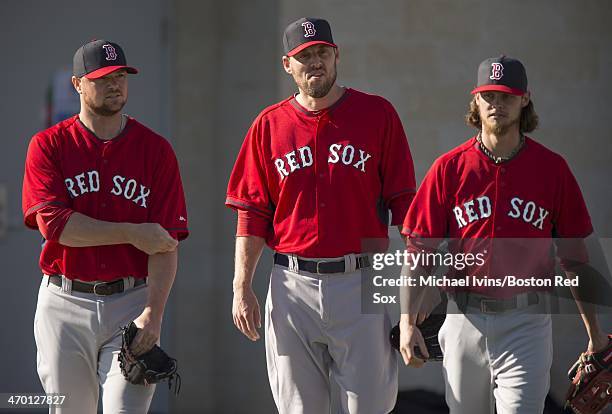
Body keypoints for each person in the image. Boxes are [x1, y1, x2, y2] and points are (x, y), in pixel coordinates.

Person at [226, 17, 416, 414]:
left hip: (361, 279)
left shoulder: (377, 115)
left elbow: (405, 208)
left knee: (372, 407)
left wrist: (416, 292)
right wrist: (241, 286)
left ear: (336, 56)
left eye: (322, 53)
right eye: (304, 56)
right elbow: (252, 215)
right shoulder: (269, 125)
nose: (315, 62)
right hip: (291, 285)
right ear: (287, 65)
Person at [399, 55, 609, 413]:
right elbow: (418, 252)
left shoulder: (552, 170)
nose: (497, 104)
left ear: (524, 99)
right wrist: (406, 323)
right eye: (489, 95)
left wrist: (594, 335)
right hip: (463, 318)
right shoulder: (449, 169)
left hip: (525, 324)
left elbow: (575, 261)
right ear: (476, 99)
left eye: (507, 96)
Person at [22, 39, 188, 413]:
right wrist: (132, 231)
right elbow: (55, 225)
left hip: (131, 302)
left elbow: (166, 242)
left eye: (121, 75)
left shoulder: (156, 150)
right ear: (78, 84)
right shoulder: (49, 145)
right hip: (64, 303)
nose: (116, 84)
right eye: (103, 77)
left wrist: (154, 313)